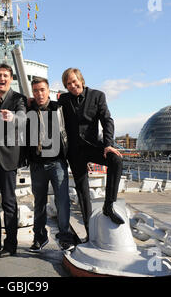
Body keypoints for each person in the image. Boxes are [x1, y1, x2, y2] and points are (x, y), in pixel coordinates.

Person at [58, 68, 124, 243]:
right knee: (82, 191)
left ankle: (109, 204)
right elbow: (50, 110)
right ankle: (89, 232)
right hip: (74, 152)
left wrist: (108, 144)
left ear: (81, 79)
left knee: (116, 160)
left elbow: (107, 120)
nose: (72, 86)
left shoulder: (97, 95)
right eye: (68, 84)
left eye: (74, 81)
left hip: (94, 146)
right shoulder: (63, 99)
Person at [0, 63, 27, 257]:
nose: (2, 79)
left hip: (7, 158)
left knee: (9, 203)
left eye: (6, 76)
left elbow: (23, 118)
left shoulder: (18, 98)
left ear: (11, 79)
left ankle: (10, 245)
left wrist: (13, 118)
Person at [27, 77, 74, 252]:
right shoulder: (28, 109)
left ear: (48, 90)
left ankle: (65, 238)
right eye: (36, 91)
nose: (39, 94)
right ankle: (39, 237)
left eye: (42, 90)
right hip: (37, 164)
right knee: (39, 202)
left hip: (57, 162)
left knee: (62, 201)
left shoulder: (59, 108)